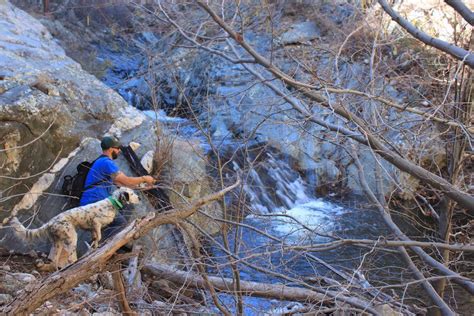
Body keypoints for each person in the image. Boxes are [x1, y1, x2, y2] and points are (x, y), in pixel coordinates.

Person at [80, 136, 155, 240]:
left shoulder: (101, 162)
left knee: (127, 206)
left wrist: (143, 186)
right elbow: (126, 180)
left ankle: (108, 241)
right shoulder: (107, 163)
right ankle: (108, 248)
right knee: (121, 223)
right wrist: (144, 178)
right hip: (94, 203)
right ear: (111, 149)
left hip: (94, 203)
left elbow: (123, 184)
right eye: (117, 148)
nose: (119, 150)